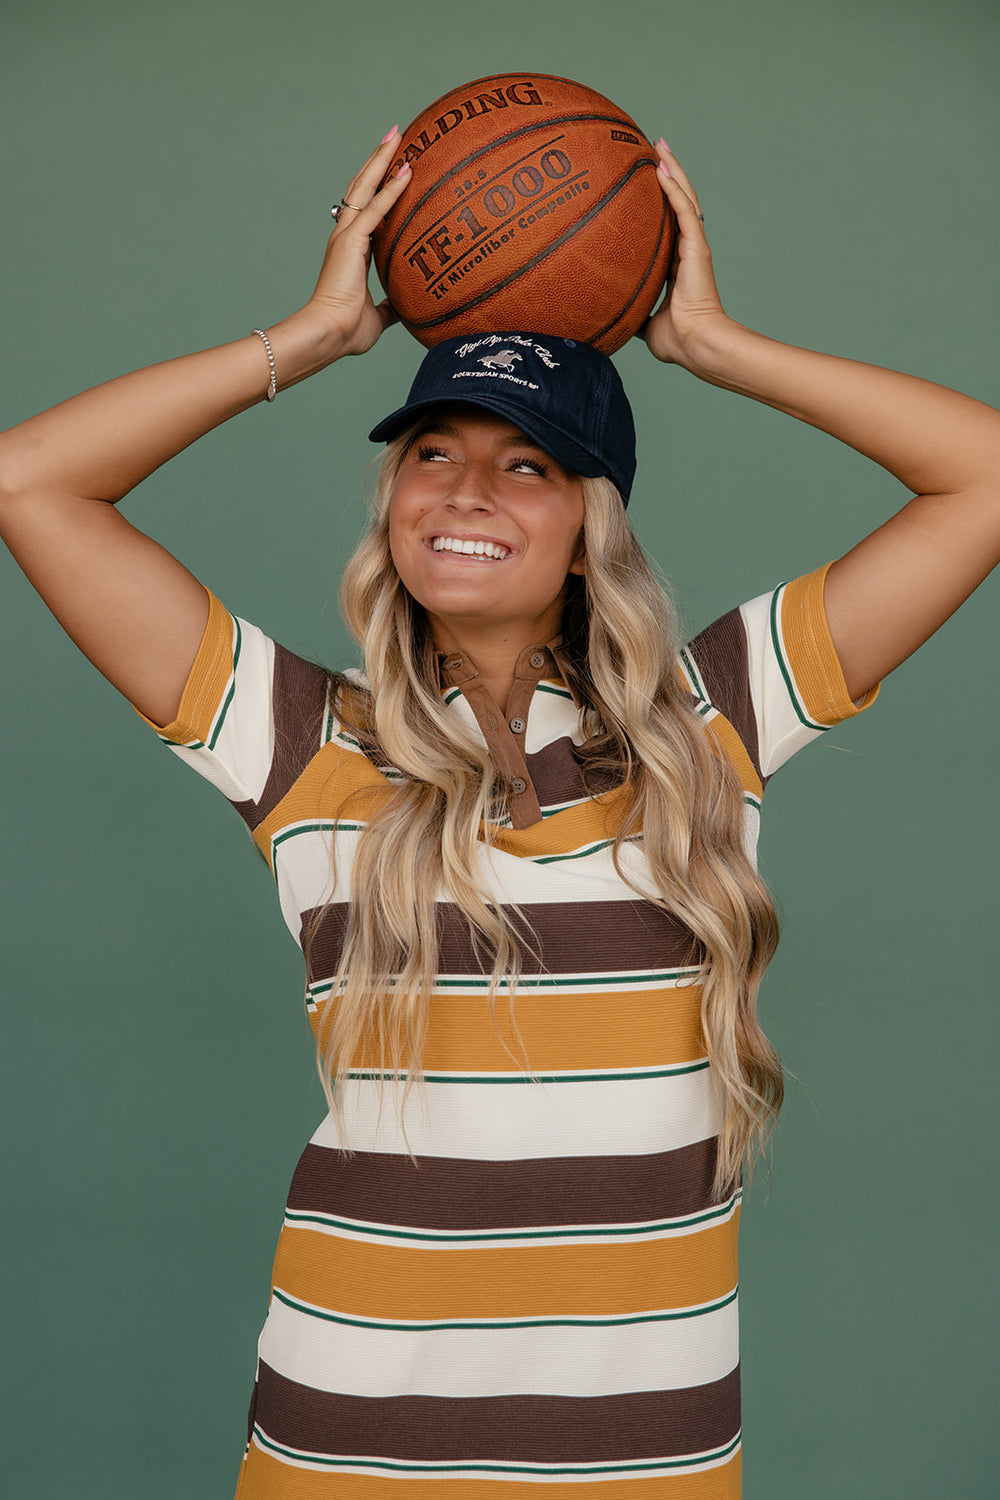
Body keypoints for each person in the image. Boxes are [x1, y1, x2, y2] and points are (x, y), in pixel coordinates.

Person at [1, 125, 997, 1499]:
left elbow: (983, 476)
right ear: (394, 493)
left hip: (645, 1462)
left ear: (593, 520)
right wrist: (316, 333)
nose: (465, 490)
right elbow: (31, 480)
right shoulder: (303, 740)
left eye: (527, 464)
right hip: (343, 1447)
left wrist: (714, 345)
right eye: (432, 453)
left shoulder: (711, 725)